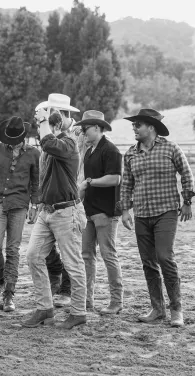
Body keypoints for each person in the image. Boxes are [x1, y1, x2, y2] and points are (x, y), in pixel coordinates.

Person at [121, 108, 195, 328]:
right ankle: (157, 307)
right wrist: (125, 210)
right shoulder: (130, 154)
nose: (134, 128)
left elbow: (186, 173)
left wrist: (187, 201)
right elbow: (126, 184)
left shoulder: (171, 148)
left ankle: (176, 308)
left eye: (138, 125)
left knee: (164, 256)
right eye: (133, 125)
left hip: (166, 211)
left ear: (150, 127)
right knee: (148, 262)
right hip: (142, 213)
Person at [24, 107, 87, 329]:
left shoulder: (67, 144)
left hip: (67, 211)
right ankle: (45, 308)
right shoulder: (50, 148)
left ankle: (79, 312)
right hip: (48, 211)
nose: (41, 134)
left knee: (73, 263)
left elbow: (49, 142)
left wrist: (42, 120)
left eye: (45, 128)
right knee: (33, 255)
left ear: (57, 126)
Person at [0, 116, 40, 312]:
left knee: (13, 250)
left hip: (20, 205)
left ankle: (8, 294)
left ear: (23, 137)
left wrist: (34, 205)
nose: (10, 143)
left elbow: (36, 181)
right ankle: (0, 280)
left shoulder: (33, 154)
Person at [36, 94, 81, 309]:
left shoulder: (73, 137)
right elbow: (45, 169)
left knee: (73, 257)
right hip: (51, 202)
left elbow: (51, 145)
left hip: (71, 199)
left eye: (51, 111)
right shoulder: (52, 133)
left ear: (61, 115)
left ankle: (73, 299)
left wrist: (44, 124)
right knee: (38, 254)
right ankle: (50, 297)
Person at [77, 110, 123, 314]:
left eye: (85, 128)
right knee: (86, 255)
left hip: (105, 212)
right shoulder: (90, 150)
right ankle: (87, 299)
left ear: (97, 127)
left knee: (108, 255)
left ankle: (116, 301)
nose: (83, 132)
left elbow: (115, 178)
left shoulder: (110, 150)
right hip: (89, 210)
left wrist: (89, 182)